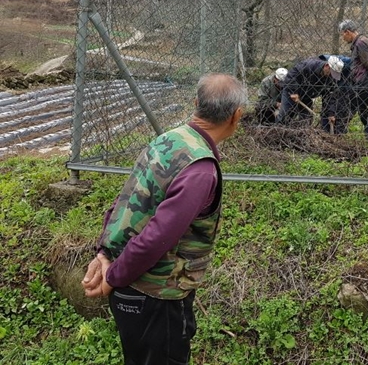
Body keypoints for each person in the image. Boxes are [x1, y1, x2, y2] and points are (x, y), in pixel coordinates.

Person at [81, 73, 248, 365]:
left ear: (196, 103)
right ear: (237, 115)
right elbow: (158, 236)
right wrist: (113, 275)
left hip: (133, 290)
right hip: (155, 296)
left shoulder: (167, 139)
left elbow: (125, 201)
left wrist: (105, 253)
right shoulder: (200, 170)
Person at [338, 19, 368, 145]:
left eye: (342, 35)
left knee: (349, 109)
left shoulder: (360, 43)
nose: (343, 38)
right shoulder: (363, 40)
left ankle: (337, 135)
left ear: (348, 32)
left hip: (362, 84)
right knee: (364, 112)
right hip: (364, 83)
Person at [275, 55, 343, 125]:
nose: (331, 76)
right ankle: (277, 130)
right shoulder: (309, 65)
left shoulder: (330, 79)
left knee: (306, 120)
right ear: (327, 65)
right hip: (291, 91)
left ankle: (299, 134)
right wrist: (293, 92)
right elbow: (292, 75)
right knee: (284, 115)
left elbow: (330, 96)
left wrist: (331, 113)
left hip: (307, 96)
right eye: (331, 72)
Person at [319, 54, 353, 135]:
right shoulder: (323, 65)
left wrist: (333, 114)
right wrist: (331, 114)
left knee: (340, 110)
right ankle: (326, 133)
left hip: (345, 90)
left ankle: (337, 135)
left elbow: (335, 96)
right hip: (332, 87)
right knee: (327, 109)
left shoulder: (348, 66)